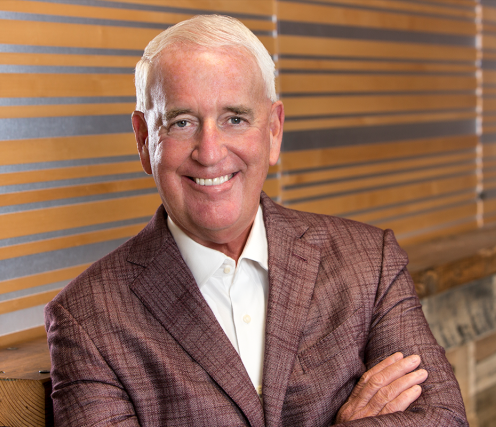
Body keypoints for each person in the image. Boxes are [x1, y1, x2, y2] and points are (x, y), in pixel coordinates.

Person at [44, 15, 467, 426]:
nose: (209, 152)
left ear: (274, 131)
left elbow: (443, 418)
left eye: (235, 119)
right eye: (182, 122)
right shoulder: (87, 320)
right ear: (143, 139)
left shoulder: (369, 262)